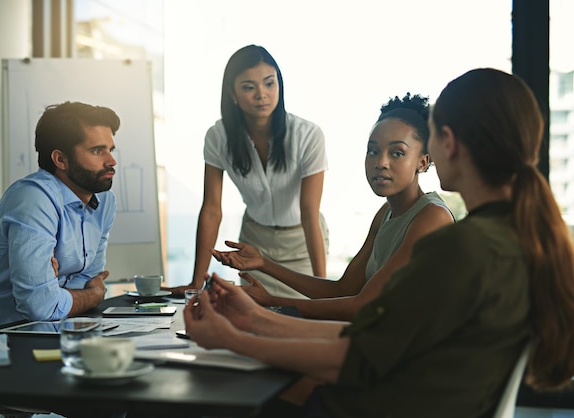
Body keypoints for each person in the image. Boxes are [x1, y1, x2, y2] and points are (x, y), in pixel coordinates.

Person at [184, 68, 574, 417]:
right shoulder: (512, 239)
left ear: (446, 143)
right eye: (373, 150)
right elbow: (371, 335)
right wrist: (256, 318)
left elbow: (357, 352)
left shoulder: (461, 245)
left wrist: (235, 338)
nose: (382, 161)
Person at [211, 93, 455, 320]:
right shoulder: (386, 214)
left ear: (423, 162)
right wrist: (264, 263)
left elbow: (363, 305)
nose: (381, 162)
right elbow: (343, 289)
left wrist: (272, 302)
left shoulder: (432, 217)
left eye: (397, 153)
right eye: (373, 151)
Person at [163, 44, 329, 299]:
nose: (261, 94)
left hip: (302, 243)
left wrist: (323, 287)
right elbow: (211, 209)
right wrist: (197, 281)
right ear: (232, 93)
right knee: (255, 318)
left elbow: (309, 213)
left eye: (269, 83)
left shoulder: (308, 135)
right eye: (249, 87)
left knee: (304, 318)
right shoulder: (218, 137)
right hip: (255, 243)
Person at [0, 102, 119, 336]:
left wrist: (60, 292)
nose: (111, 161)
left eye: (111, 149)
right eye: (97, 151)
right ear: (60, 160)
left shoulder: (104, 201)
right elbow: (40, 305)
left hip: (36, 331)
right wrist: (92, 296)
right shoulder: (33, 198)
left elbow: (88, 278)